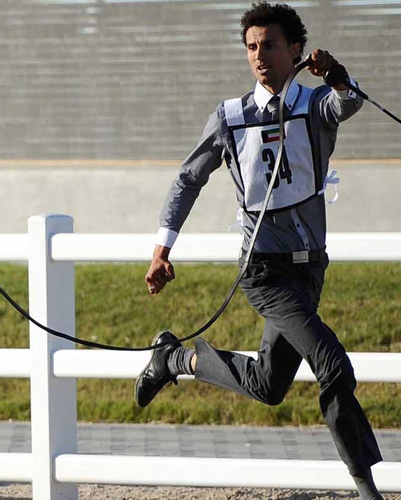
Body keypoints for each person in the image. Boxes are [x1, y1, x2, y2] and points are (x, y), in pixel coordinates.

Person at [134, 2, 384, 498]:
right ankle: (367, 487)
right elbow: (187, 180)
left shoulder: (315, 105)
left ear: (295, 50)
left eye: (269, 45)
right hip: (264, 273)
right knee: (332, 362)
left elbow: (349, 102)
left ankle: (174, 360)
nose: (259, 55)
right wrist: (163, 249)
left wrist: (335, 73)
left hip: (310, 268)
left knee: (269, 386)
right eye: (251, 47)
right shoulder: (230, 117)